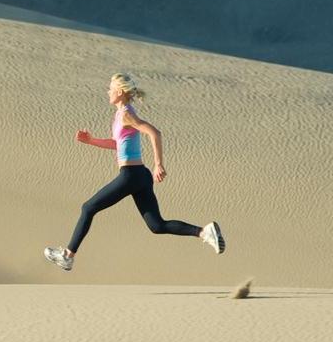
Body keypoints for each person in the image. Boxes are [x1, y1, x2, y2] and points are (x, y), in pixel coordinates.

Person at [44, 72, 225, 271]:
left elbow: (154, 132)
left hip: (130, 176)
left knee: (88, 208)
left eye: (110, 88)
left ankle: (68, 256)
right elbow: (117, 144)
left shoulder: (126, 114)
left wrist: (159, 163)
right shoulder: (121, 113)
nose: (108, 92)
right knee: (157, 226)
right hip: (140, 176)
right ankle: (204, 232)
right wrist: (91, 140)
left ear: (120, 92)